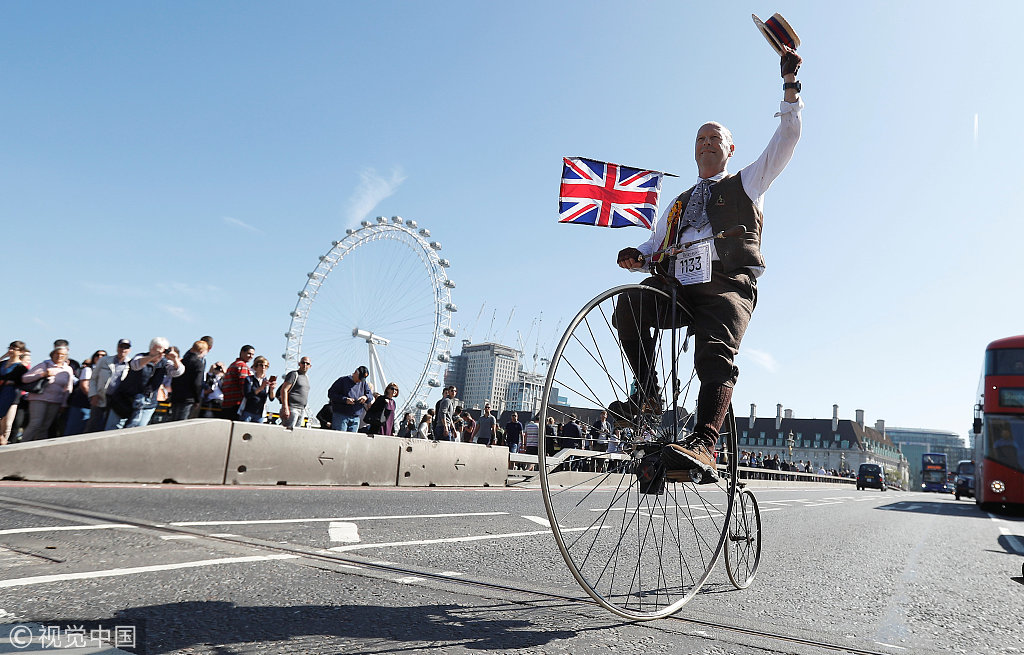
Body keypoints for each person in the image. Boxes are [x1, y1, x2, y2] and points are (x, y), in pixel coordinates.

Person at [613, 46, 803, 478]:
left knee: (714, 351)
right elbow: (655, 245)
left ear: (730, 148)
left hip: (725, 284)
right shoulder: (679, 203)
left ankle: (704, 443)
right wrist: (637, 257)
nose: (706, 143)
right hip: (678, 287)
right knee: (629, 304)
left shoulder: (746, 183)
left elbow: (787, 140)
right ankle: (647, 395)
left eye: (715, 137)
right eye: (700, 138)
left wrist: (790, 89)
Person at [106, 338, 185, 429]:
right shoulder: (140, 356)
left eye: (164, 350)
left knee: (138, 429)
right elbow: (135, 365)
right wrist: (152, 357)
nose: (161, 353)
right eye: (157, 349)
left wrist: (175, 359)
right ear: (151, 348)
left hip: (148, 403)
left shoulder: (165, 363)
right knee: (114, 428)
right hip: (125, 400)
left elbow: (178, 372)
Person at [19, 345, 75, 441]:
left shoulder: (68, 369)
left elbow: (68, 387)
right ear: (52, 354)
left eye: (63, 355)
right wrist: (43, 374)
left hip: (56, 401)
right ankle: (22, 445)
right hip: (39, 399)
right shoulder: (44, 365)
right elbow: (25, 378)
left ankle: (39, 447)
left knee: (45, 426)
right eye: (57, 353)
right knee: (36, 423)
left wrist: (64, 403)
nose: (60, 356)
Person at [64, 349, 106, 436]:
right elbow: (84, 386)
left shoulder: (107, 371)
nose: (100, 357)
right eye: (97, 355)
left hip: (98, 405)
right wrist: (92, 397)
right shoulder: (88, 370)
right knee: (74, 429)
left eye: (103, 355)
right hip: (83, 403)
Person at [169, 339, 210, 421]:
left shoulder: (183, 361)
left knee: (173, 421)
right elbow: (197, 383)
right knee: (182, 421)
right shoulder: (198, 364)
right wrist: (197, 399)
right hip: (189, 397)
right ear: (202, 351)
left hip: (177, 395)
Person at [327, 366, 372, 432]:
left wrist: (366, 397)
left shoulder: (363, 383)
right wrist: (345, 400)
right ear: (356, 372)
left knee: (352, 440)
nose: (360, 381)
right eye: (360, 378)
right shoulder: (342, 381)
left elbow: (370, 395)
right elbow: (331, 394)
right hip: (341, 416)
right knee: (340, 438)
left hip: (356, 417)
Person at [0, 341, 28, 445]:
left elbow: (21, 383)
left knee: (6, 424)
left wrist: (9, 382)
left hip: (11, 398)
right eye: (10, 348)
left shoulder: (21, 368)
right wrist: (4, 356)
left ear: (21, 352)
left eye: (14, 349)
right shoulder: (2, 364)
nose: (11, 351)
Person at [219, 345, 256, 421]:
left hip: (227, 402)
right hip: (236, 403)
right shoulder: (242, 366)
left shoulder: (233, 365)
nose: (251, 356)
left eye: (252, 354)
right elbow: (244, 386)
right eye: (249, 353)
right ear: (242, 352)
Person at [276, 356, 311, 429]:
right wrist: (285, 407)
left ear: (310, 366)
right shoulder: (294, 374)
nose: (305, 365)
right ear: (299, 364)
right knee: (288, 430)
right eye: (303, 363)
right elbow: (284, 390)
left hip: (302, 409)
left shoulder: (307, 377)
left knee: (295, 432)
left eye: (307, 363)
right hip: (292, 408)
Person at [240, 356, 276, 423]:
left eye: (266, 366)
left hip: (260, 413)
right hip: (248, 411)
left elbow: (271, 398)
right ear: (255, 367)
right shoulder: (249, 379)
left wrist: (272, 389)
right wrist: (261, 388)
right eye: (261, 365)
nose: (263, 368)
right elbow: (247, 395)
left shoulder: (266, 381)